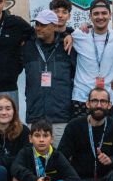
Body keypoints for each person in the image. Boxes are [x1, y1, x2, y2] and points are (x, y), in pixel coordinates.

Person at [69, 0, 113, 118]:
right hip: (82, 98)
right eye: (96, 13)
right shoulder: (79, 34)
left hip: (107, 99)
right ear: (90, 16)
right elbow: (61, 34)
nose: (100, 17)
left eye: (104, 13)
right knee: (80, 130)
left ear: (110, 15)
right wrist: (68, 35)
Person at [22, 9, 76, 143]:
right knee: (36, 156)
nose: (38, 28)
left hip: (61, 118)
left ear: (54, 26)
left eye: (43, 25)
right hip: (35, 117)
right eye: (37, 24)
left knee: (60, 154)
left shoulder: (67, 46)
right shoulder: (28, 47)